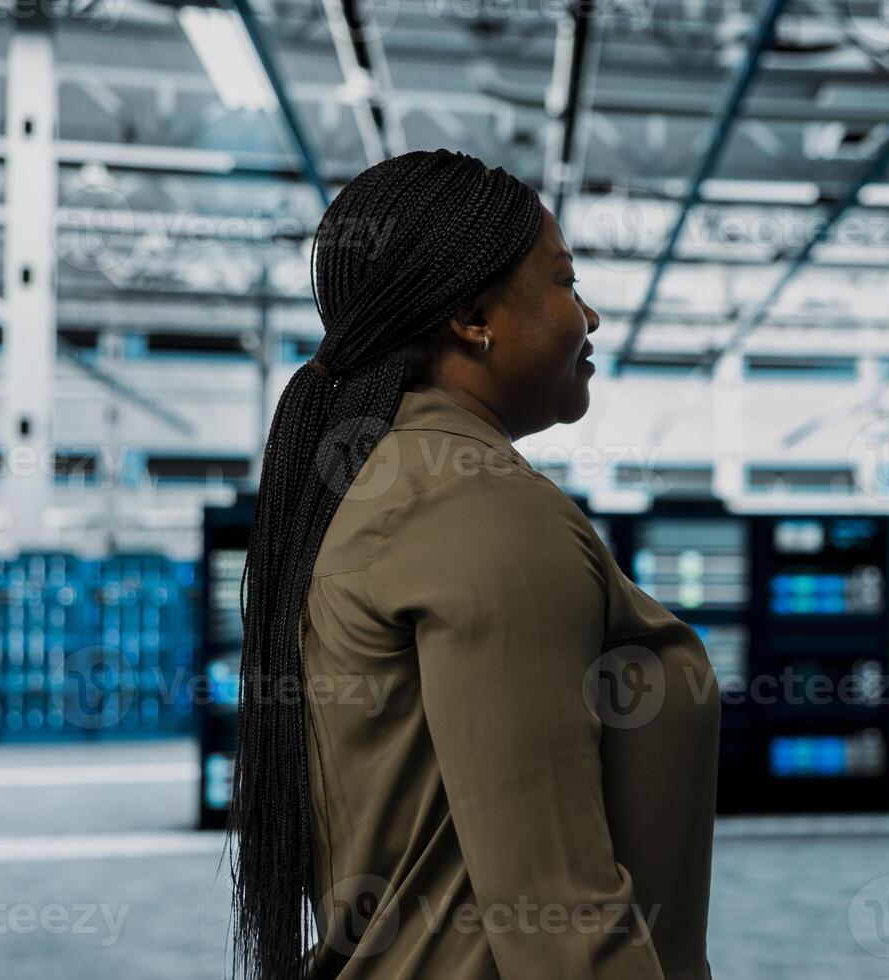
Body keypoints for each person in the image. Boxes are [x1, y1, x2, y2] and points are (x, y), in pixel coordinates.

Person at [227, 148, 721, 979]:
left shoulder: (389, 488)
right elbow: (560, 922)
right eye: (565, 283)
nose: (590, 317)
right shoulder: (481, 511)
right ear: (473, 318)